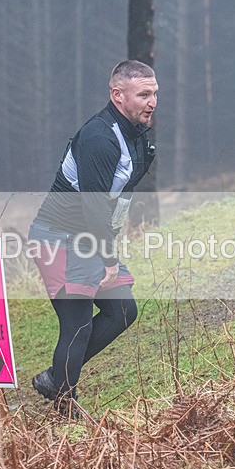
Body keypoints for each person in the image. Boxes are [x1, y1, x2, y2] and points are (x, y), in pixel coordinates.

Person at [27, 60, 158, 419]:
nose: (152, 102)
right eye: (143, 94)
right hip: (60, 238)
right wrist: (109, 258)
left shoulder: (133, 136)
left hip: (85, 238)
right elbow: (93, 207)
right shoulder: (100, 137)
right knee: (78, 324)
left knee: (122, 311)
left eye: (155, 94)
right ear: (118, 95)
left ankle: (57, 377)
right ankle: (66, 407)